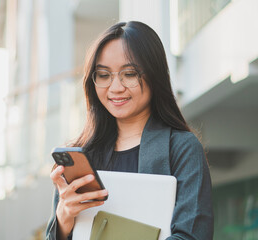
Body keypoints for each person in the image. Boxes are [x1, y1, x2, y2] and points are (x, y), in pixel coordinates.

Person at [46, 21, 214, 240]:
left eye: (130, 73)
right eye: (104, 75)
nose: (116, 88)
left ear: (154, 75)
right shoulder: (81, 155)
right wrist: (63, 222)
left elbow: (192, 236)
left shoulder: (182, 148)